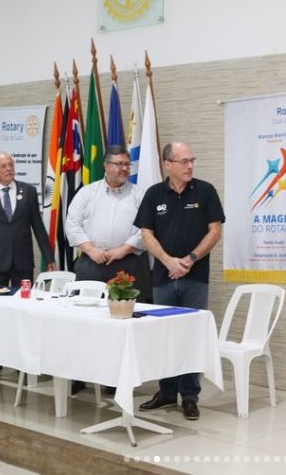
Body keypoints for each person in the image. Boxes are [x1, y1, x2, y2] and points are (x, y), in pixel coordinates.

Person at [134, 142, 225, 421]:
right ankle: (166, 392)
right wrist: (167, 261)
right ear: (167, 164)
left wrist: (190, 259)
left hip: (194, 278)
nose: (190, 166)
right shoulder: (154, 194)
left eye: (191, 160)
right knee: (164, 336)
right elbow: (146, 233)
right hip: (163, 277)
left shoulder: (205, 191)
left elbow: (215, 230)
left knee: (191, 337)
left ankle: (189, 396)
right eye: (183, 161)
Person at [65, 144, 145, 395]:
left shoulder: (139, 194)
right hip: (92, 263)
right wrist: (89, 248)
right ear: (106, 166)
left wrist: (124, 249)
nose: (124, 169)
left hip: (127, 264)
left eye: (127, 164)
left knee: (121, 326)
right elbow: (72, 224)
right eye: (119, 164)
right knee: (85, 321)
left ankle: (115, 378)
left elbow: (146, 230)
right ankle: (79, 375)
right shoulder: (87, 193)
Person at [0, 152, 56, 375]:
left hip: (22, 262)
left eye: (10, 164)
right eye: (3, 166)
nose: (9, 168)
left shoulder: (27, 191)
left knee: (24, 310)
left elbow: (38, 226)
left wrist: (49, 257)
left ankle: (23, 359)